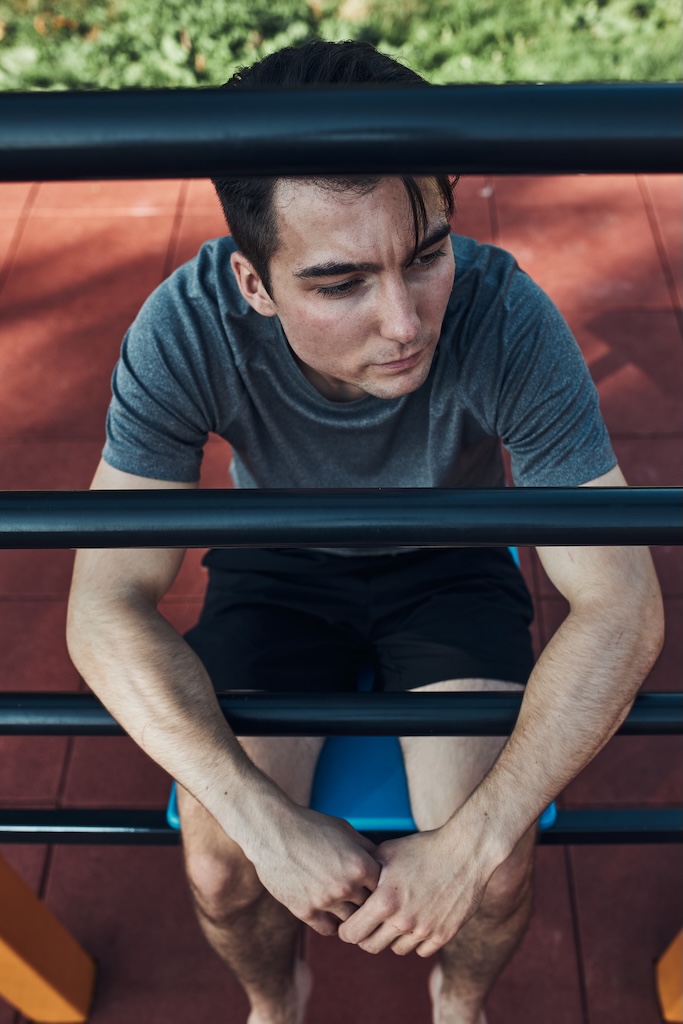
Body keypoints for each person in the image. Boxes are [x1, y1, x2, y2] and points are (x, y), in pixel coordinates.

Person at [66, 39, 664, 1024]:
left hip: (449, 556)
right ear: (253, 284)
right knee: (218, 861)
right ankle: (276, 999)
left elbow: (621, 601)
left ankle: (458, 1001)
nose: (403, 321)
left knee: (500, 862)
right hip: (278, 560)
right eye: (340, 283)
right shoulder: (187, 326)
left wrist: (466, 847)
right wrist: (263, 824)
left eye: (424, 256)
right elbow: (101, 603)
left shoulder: (502, 313)